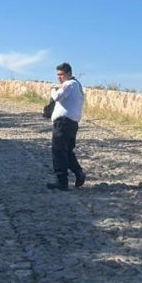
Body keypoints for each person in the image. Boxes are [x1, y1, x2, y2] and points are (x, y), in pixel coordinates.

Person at [47, 62, 86, 191]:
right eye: (58, 75)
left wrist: (52, 90)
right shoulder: (77, 85)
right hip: (72, 123)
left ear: (68, 74)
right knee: (67, 152)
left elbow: (58, 96)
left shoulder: (69, 84)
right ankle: (78, 173)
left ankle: (62, 181)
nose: (59, 77)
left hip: (63, 123)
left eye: (61, 74)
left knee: (58, 151)